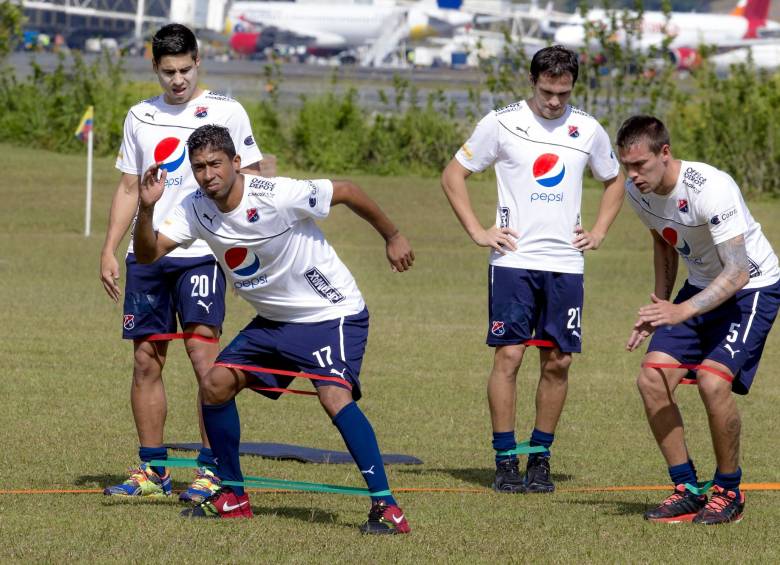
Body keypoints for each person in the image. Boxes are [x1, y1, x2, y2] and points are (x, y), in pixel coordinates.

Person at [133, 124, 415, 533]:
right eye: (199, 167)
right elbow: (148, 254)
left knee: (333, 395)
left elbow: (348, 190)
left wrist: (393, 235)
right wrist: (146, 209)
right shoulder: (195, 207)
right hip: (274, 322)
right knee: (215, 384)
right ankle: (233, 495)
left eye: (215, 164)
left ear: (235, 162)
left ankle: (387, 507)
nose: (208, 174)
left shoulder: (276, 194)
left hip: (329, 312)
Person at [99, 23, 273, 502]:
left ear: (198, 62)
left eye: (184, 70)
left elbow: (252, 182)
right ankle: (153, 471)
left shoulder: (227, 111)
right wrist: (110, 248)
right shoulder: (140, 116)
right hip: (147, 253)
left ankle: (212, 470)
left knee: (204, 360)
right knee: (145, 360)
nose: (177, 80)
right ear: (155, 67)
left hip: (202, 254)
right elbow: (129, 187)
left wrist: (247, 253)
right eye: (168, 72)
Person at [440, 45, 624, 494]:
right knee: (509, 356)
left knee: (558, 361)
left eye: (563, 93)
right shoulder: (501, 122)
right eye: (547, 91)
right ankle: (505, 459)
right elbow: (453, 175)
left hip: (566, 265)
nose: (555, 101)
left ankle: (539, 458)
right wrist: (478, 231)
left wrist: (599, 230)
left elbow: (614, 179)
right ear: (532, 82)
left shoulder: (588, 129)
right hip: (514, 262)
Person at [618, 115, 780, 525]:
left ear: (665, 153)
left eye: (640, 165)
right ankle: (687, 489)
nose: (633, 175)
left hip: (752, 288)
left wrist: (681, 310)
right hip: (701, 286)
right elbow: (663, 242)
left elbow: (738, 271)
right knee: (652, 378)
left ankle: (729, 492)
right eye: (626, 166)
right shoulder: (637, 192)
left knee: (712, 381)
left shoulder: (710, 187)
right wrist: (661, 305)